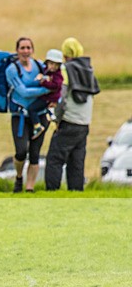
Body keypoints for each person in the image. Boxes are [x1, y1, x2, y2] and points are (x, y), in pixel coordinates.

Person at [45, 38, 101, 191]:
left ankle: (52, 193)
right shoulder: (88, 69)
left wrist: (56, 119)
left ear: (65, 53)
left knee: (54, 159)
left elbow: (61, 97)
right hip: (84, 123)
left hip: (69, 121)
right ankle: (76, 193)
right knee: (76, 162)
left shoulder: (65, 69)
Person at [5, 37, 50, 193]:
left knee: (35, 153)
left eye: (28, 48)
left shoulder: (40, 66)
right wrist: (45, 90)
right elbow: (23, 91)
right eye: (22, 48)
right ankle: (19, 177)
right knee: (21, 151)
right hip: (21, 115)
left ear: (32, 50)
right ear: (17, 50)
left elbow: (51, 79)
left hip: (40, 114)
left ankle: (29, 188)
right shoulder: (12, 70)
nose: (25, 51)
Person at [28, 49, 65, 140]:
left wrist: (43, 82)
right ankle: (50, 114)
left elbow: (55, 86)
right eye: (51, 64)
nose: (53, 67)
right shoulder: (46, 71)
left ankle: (37, 126)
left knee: (31, 109)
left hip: (49, 98)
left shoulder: (57, 75)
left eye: (56, 65)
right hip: (47, 97)